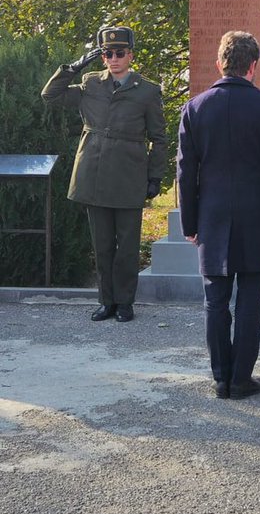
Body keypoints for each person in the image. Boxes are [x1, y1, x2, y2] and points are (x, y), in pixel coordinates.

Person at [177, 31, 260, 401]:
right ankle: (241, 378)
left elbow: (185, 172)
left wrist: (189, 223)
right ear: (254, 67)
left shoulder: (195, 108)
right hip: (257, 218)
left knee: (215, 301)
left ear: (219, 64)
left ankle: (221, 377)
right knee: (248, 301)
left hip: (211, 219)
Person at [42, 26, 167, 322]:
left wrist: (154, 177)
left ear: (131, 55)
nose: (113, 58)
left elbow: (159, 138)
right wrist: (74, 66)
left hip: (129, 173)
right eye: (108, 53)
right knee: (101, 245)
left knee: (127, 246)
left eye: (120, 53)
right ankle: (106, 301)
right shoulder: (90, 84)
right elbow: (50, 95)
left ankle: (125, 303)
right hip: (94, 172)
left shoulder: (147, 90)